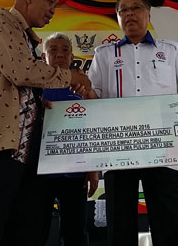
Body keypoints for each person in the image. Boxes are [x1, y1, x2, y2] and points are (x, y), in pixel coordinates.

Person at [0, 0, 92, 246]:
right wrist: (71, 77)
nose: (52, 10)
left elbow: (20, 84)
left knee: (24, 234)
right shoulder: (0, 19)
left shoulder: (25, 38)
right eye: (50, 2)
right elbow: (20, 70)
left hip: (24, 159)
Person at [87, 0, 178, 246]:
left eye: (135, 8)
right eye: (123, 10)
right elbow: (92, 96)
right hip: (118, 148)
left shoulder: (170, 50)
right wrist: (81, 94)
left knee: (168, 219)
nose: (129, 14)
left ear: (148, 14)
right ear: (117, 17)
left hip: (162, 148)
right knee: (120, 222)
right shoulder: (104, 55)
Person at [41, 32, 100, 246]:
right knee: (36, 230)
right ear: (43, 57)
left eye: (65, 50)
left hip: (75, 172)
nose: (60, 55)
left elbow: (93, 126)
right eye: (53, 50)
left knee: (75, 232)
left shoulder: (83, 87)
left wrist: (93, 168)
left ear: (72, 56)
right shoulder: (35, 86)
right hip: (40, 172)